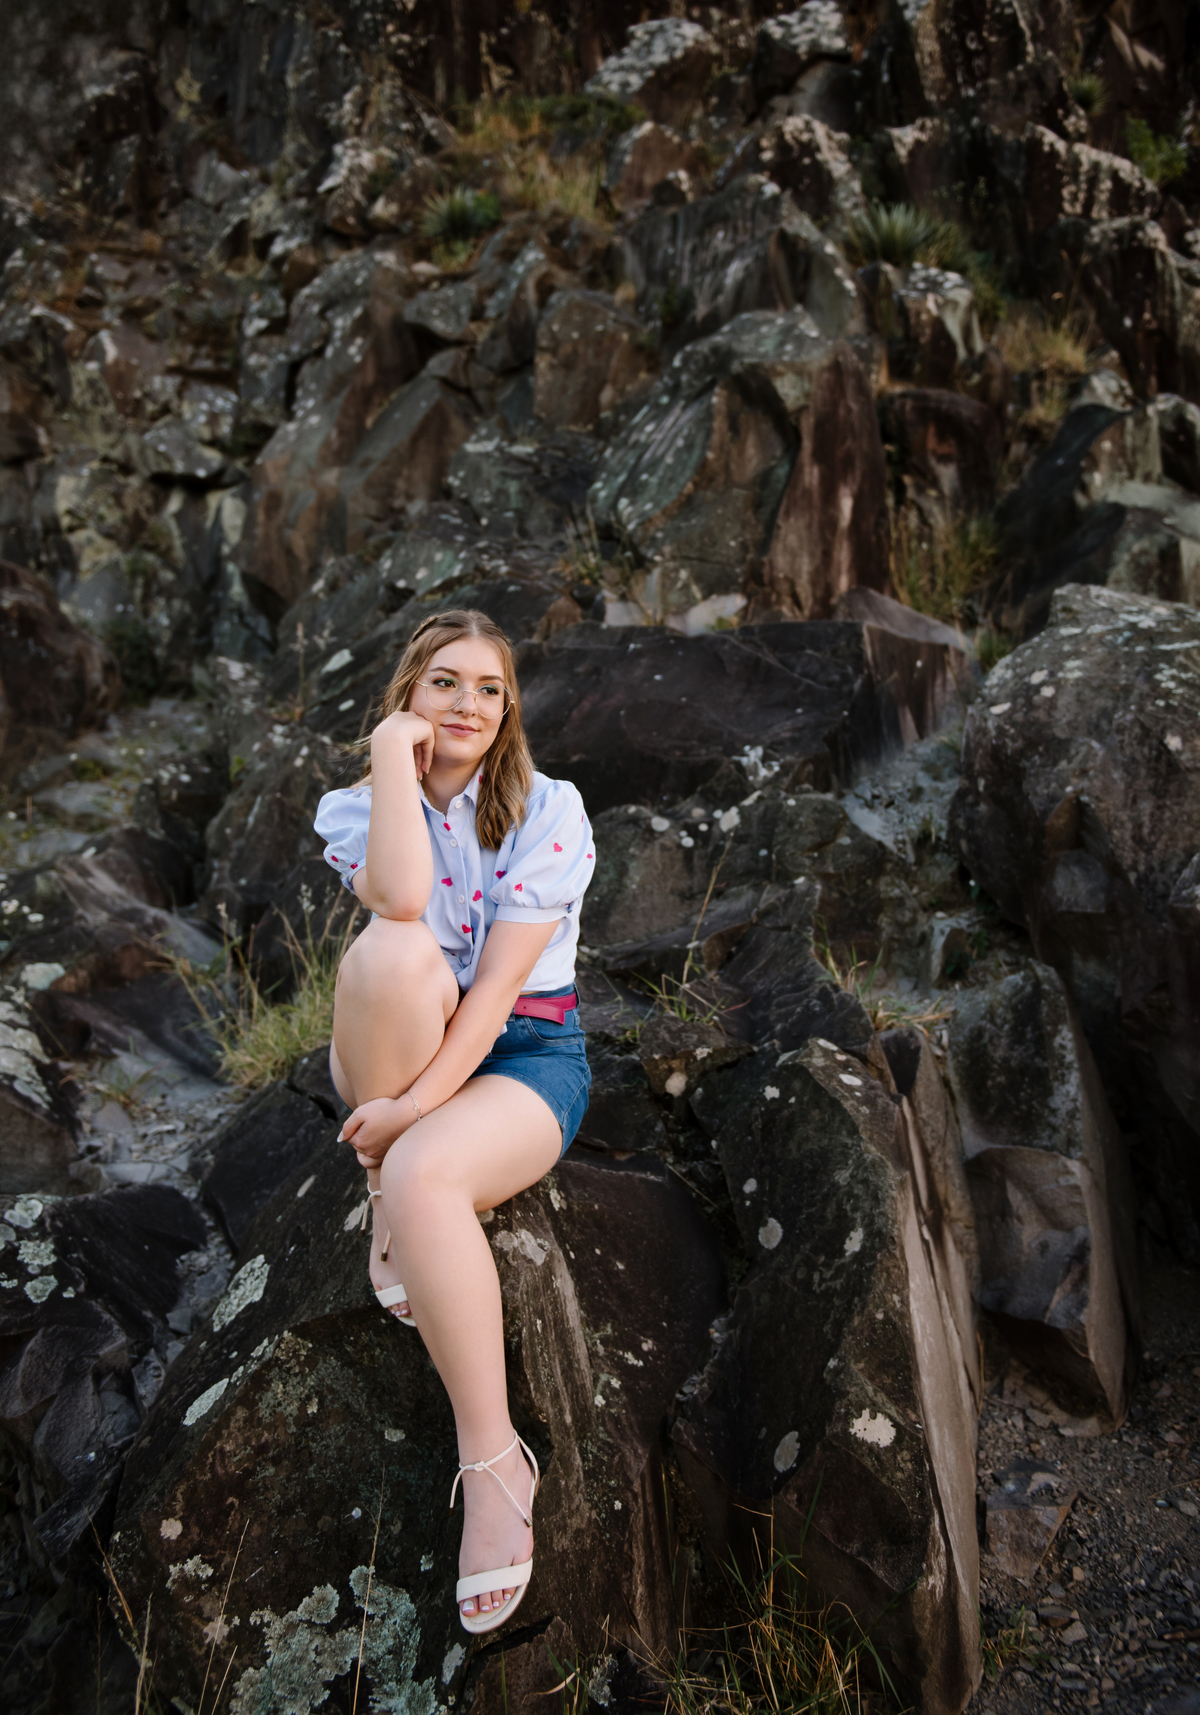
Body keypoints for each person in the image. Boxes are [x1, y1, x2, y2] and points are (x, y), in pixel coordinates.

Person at [312, 609, 593, 1635]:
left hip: (522, 1053)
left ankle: (494, 1461)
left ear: (508, 709)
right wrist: (392, 756)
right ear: (409, 694)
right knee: (390, 950)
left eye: (487, 687)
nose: (466, 703)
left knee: (431, 1171)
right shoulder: (359, 804)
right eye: (443, 683)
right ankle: (385, 1180)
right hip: (397, 1031)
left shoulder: (549, 809)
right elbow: (398, 894)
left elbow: (492, 999)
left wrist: (411, 1114)